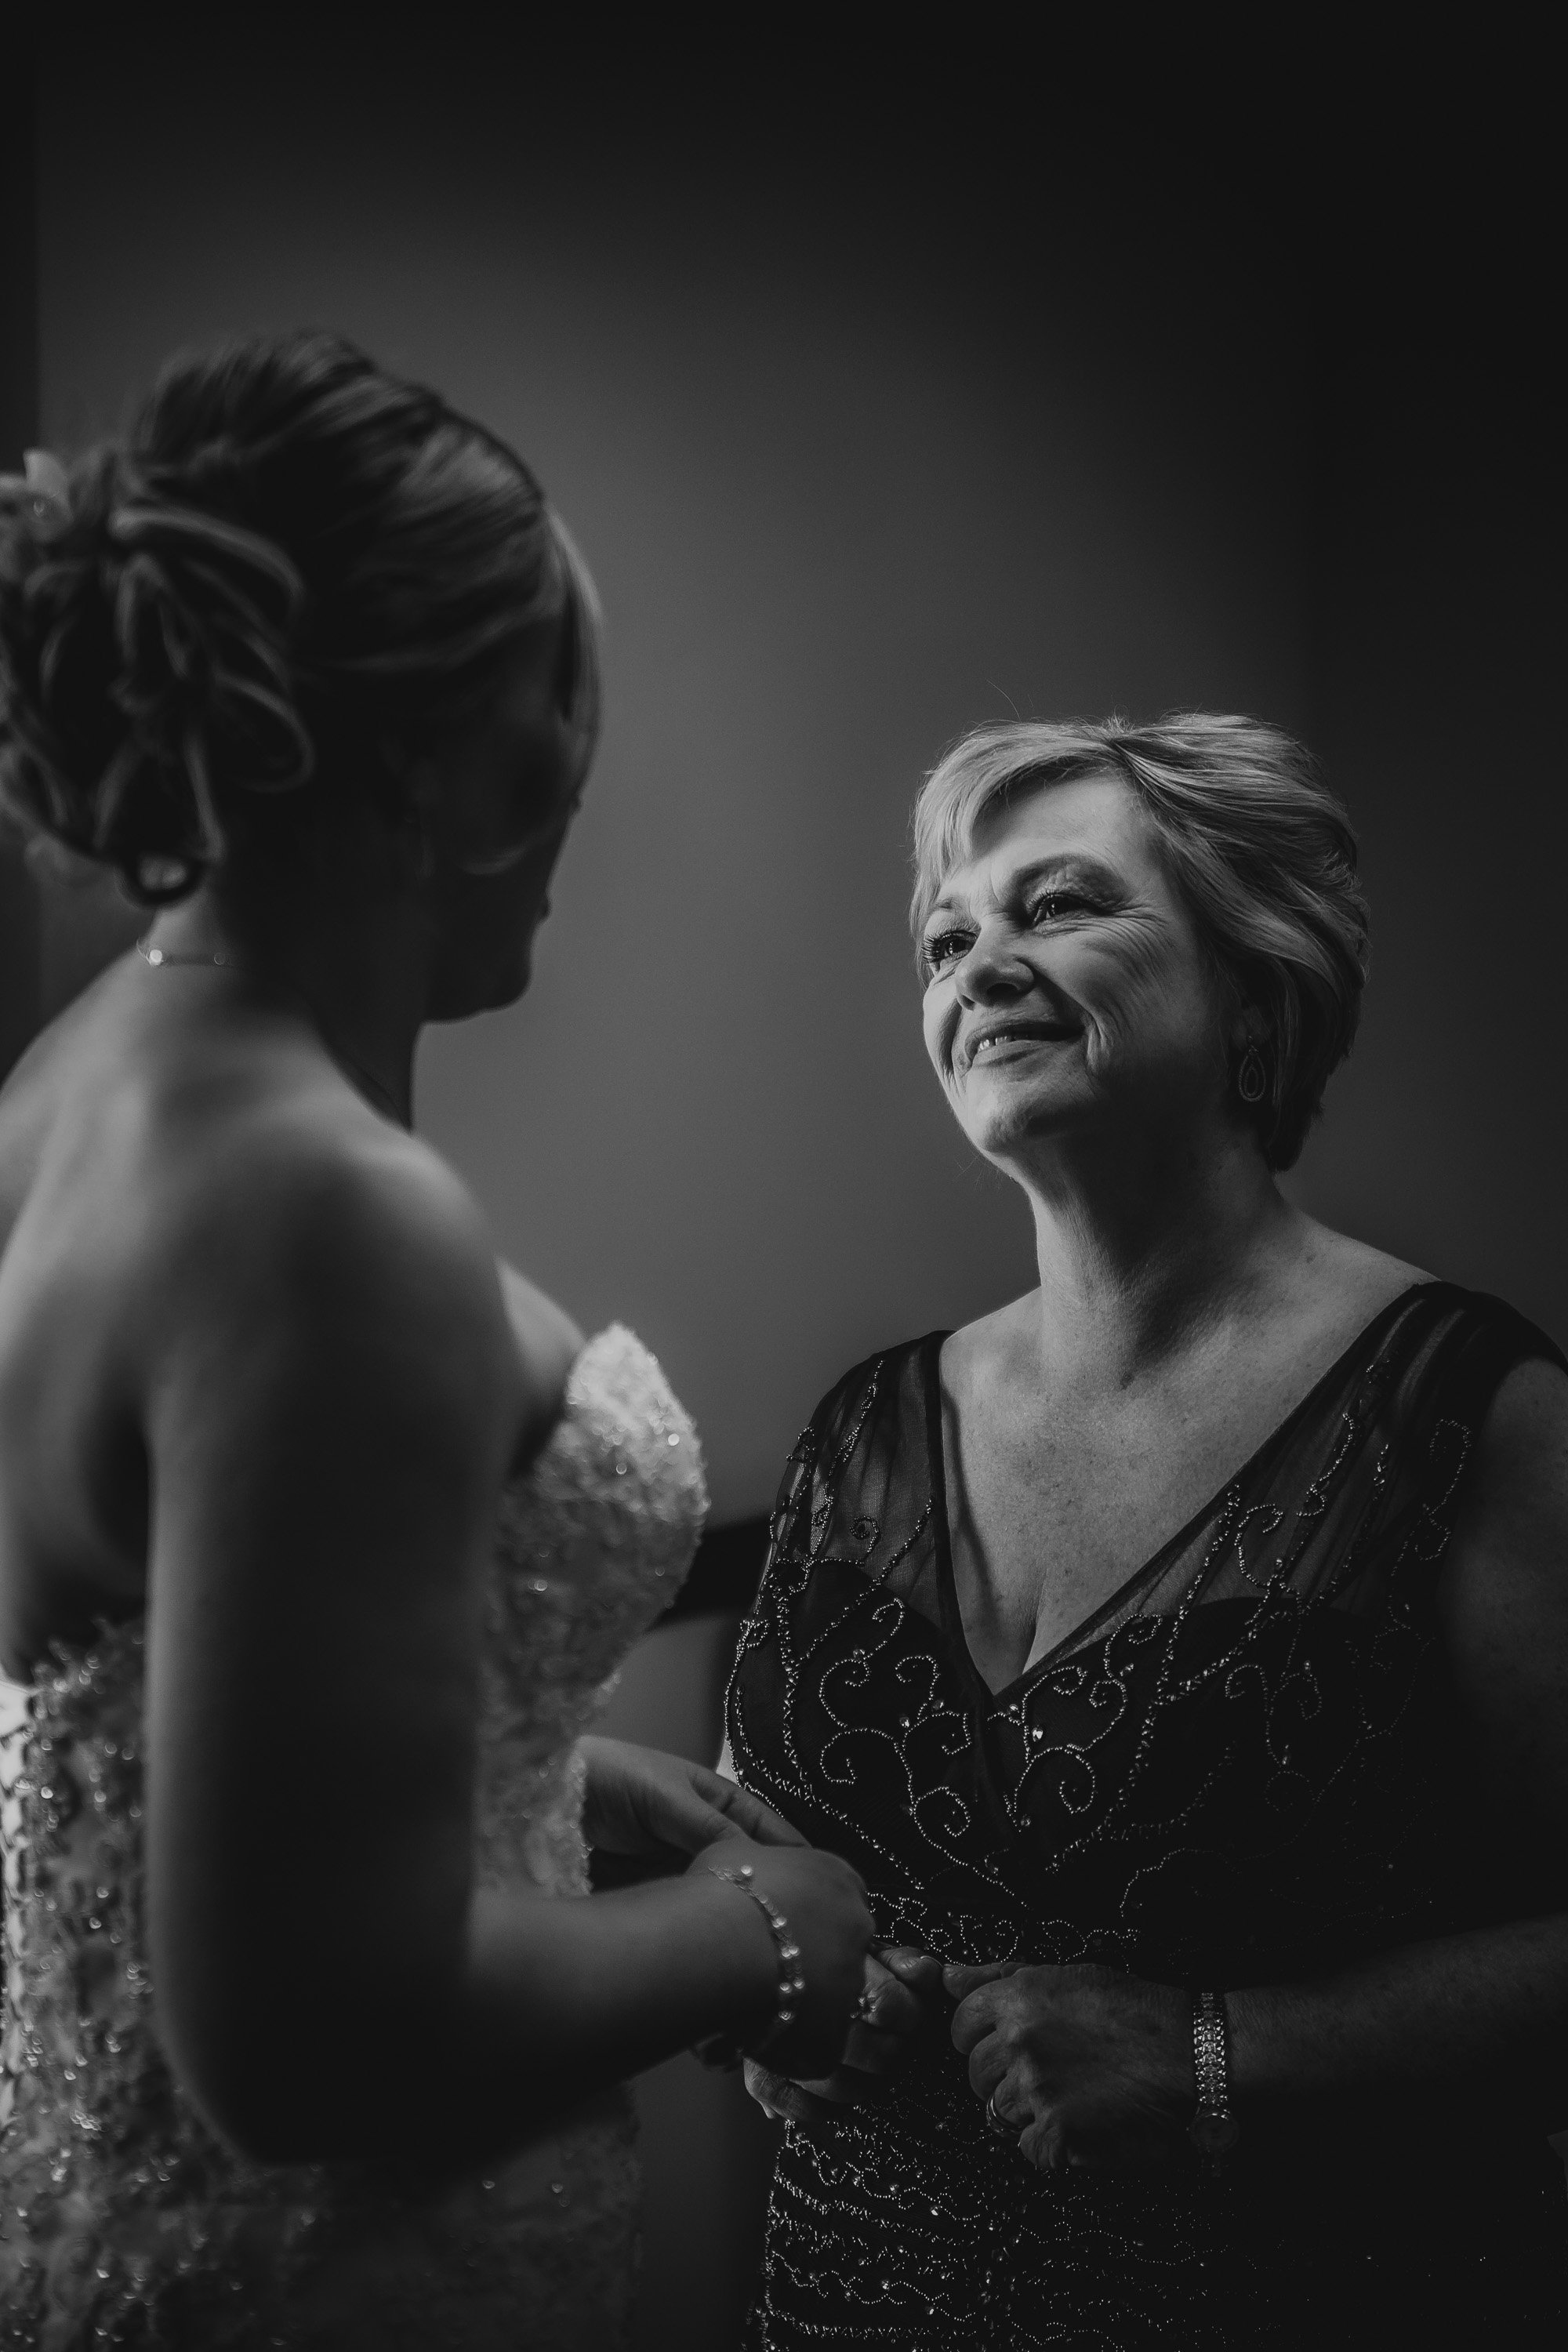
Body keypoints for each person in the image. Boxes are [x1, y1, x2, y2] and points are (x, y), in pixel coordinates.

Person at [0, 332, 876, 2350]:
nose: (575, 796)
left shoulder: (83, 1087)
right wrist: (755, 1933)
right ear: (461, 756)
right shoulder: (334, 1209)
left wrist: (531, 1774)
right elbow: (309, 2037)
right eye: (566, 722)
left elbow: (134, 1701)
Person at [724, 713, 1568, 2348]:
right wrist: (780, 2002)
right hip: (848, 2301)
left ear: (1255, 996)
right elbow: (769, 1855)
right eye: (948, 936)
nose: (981, 964)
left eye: (1056, 908)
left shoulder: (1465, 1414)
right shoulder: (865, 1431)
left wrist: (1210, 2049)